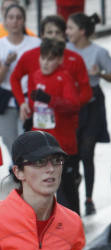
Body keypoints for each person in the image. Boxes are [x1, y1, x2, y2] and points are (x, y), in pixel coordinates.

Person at [24, 38, 88, 214]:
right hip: (41, 144)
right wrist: (30, 118)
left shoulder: (64, 78)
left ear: (60, 60)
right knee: (41, 188)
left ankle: (74, 223)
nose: (45, 62)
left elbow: (74, 105)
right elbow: (34, 101)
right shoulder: (36, 75)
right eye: (43, 58)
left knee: (67, 189)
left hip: (63, 144)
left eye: (51, 59)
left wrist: (50, 100)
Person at [66, 13, 111, 217]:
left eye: (70, 28)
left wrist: (100, 73)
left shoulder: (99, 51)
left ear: (82, 31)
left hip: (93, 103)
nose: (67, 32)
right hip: (71, 103)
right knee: (73, 153)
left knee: (87, 151)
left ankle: (88, 198)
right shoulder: (65, 51)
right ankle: (74, 184)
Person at [0, 4, 41, 150]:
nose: (15, 21)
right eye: (11, 17)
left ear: (24, 21)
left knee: (25, 139)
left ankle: (23, 169)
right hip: (5, 99)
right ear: (5, 21)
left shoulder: (35, 43)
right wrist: (6, 63)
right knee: (8, 140)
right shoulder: (1, 45)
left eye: (18, 17)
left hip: (27, 98)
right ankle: (17, 169)